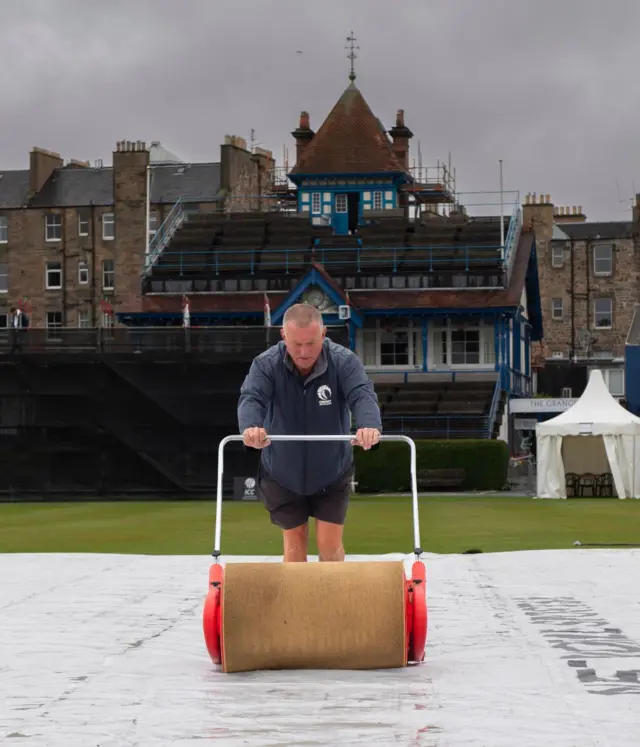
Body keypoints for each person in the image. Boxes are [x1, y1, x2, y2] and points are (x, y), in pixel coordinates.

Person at [237, 303, 382, 562]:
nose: (304, 352)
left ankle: (333, 602)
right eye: (296, 344)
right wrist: (250, 427)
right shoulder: (265, 365)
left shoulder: (344, 362)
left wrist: (368, 425)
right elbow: (251, 398)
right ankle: (297, 603)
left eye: (311, 343)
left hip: (331, 471)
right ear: (284, 336)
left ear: (324, 333)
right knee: (294, 549)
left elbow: (362, 394)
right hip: (282, 471)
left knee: (330, 549)